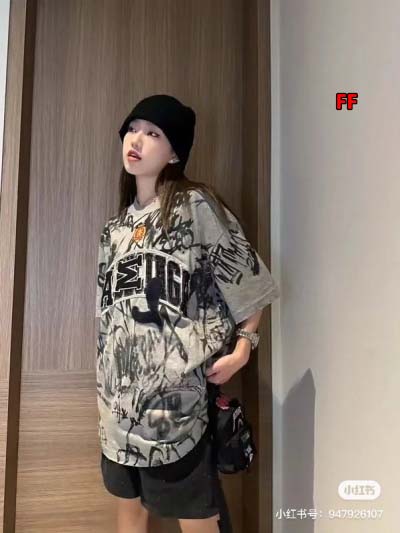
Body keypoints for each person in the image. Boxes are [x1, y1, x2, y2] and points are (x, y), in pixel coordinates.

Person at [95, 94, 280, 533]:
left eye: (153, 133)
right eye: (132, 129)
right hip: (117, 409)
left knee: (196, 517)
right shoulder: (113, 230)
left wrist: (243, 347)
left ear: (174, 153)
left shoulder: (195, 206)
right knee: (128, 513)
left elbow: (248, 282)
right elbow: (107, 321)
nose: (136, 140)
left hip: (175, 406)